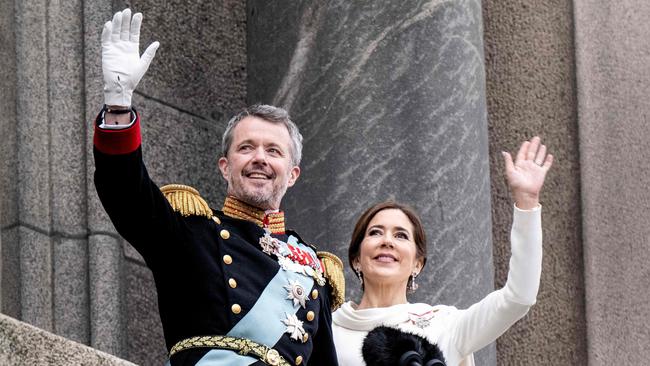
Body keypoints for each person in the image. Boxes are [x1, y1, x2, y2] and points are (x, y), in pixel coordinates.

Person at [93, 9, 343, 366]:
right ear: (225, 167)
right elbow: (124, 191)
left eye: (273, 151)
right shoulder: (190, 232)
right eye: (246, 148)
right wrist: (118, 105)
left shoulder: (311, 268)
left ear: (292, 175)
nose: (259, 158)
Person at [332, 137, 553, 366]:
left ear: (417, 263)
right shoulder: (327, 330)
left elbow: (518, 298)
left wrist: (527, 201)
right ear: (357, 259)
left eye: (401, 235)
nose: (387, 241)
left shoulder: (444, 326)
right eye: (376, 232)